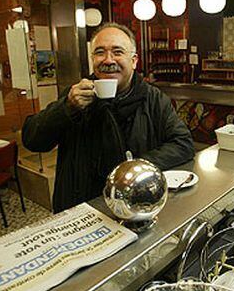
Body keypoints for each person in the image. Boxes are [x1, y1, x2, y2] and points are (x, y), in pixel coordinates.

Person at [22, 23, 195, 213]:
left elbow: (183, 144)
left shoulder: (153, 99)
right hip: (80, 207)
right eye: (99, 52)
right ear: (92, 59)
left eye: (118, 52)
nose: (108, 60)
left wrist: (134, 169)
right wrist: (67, 108)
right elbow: (33, 140)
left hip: (132, 204)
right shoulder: (74, 96)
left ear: (134, 61)